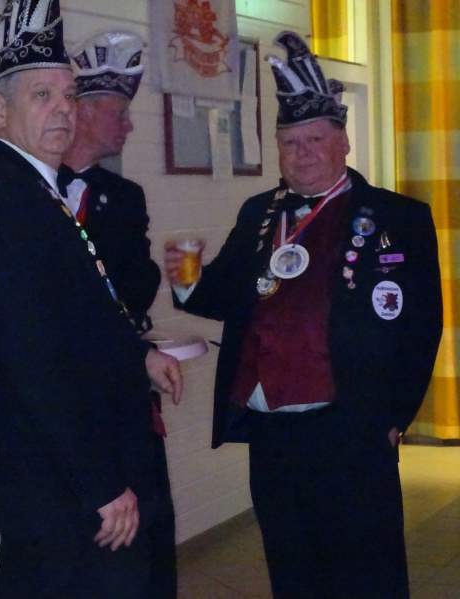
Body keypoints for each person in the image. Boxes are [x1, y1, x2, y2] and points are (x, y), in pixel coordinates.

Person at [164, 31, 443, 599]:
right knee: (292, 568)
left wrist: (397, 416)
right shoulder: (259, 213)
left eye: (315, 138)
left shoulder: (399, 217)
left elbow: (422, 327)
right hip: (272, 430)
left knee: (367, 571)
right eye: (290, 142)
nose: (302, 152)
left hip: (352, 427)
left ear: (343, 142)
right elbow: (223, 297)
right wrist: (186, 279)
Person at [0, 2, 183, 598]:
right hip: (55, 478)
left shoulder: (29, 188)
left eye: (69, 95)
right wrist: (99, 483)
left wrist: (137, 357)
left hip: (53, 473)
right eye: (42, 95)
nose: (63, 110)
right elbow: (31, 358)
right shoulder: (2, 199)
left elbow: (72, 316)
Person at [63, 30, 176, 599]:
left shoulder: (124, 197)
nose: (128, 126)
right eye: (120, 112)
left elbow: (138, 289)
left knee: (148, 520)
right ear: (83, 112)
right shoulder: (30, 190)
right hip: (62, 389)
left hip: (121, 382)